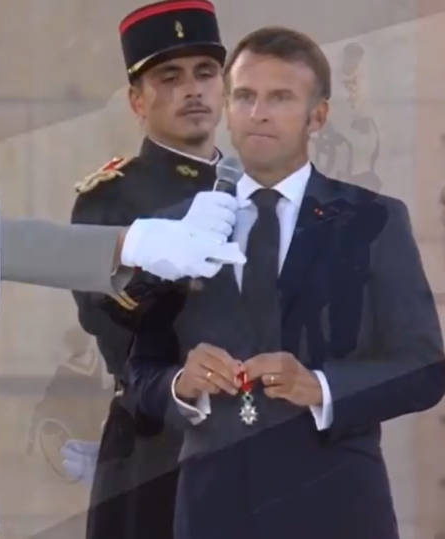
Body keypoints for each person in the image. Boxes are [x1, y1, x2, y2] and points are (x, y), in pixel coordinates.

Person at [127, 26, 445, 539]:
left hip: (337, 510)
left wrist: (318, 388)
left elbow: (425, 368)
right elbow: (139, 374)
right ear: (227, 109)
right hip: (211, 512)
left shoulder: (373, 221)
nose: (260, 113)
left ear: (317, 116)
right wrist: (180, 386)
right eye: (246, 97)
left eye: (280, 97)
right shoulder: (176, 229)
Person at [59, 2, 229, 539]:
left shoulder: (263, 187)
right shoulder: (110, 197)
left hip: (259, 439)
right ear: (137, 99)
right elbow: (110, 327)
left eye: (206, 72)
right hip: (156, 447)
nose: (193, 90)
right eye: (170, 77)